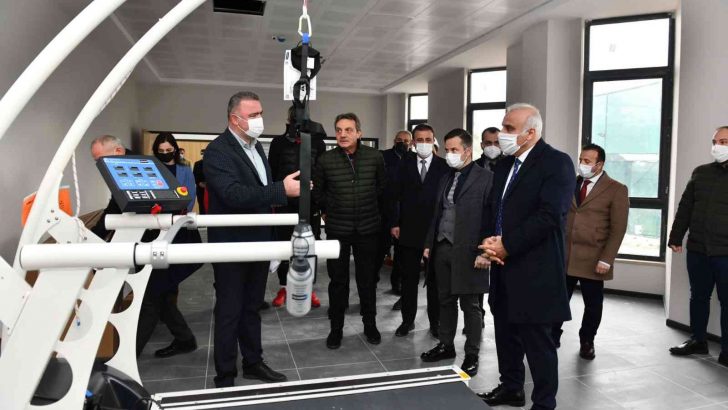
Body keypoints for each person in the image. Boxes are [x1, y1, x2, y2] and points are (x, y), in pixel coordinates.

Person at [478, 103, 574, 410]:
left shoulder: (556, 163)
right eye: (503, 126)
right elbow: (495, 208)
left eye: (509, 129)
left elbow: (550, 216)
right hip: (503, 267)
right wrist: (489, 241)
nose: (501, 134)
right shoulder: (505, 165)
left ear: (530, 132)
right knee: (505, 334)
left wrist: (507, 244)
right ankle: (511, 388)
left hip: (536, 269)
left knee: (537, 342)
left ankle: (544, 403)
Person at [204, 91, 302, 387]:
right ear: (235, 119)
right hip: (231, 244)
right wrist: (281, 190)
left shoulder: (257, 147)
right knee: (229, 311)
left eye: (261, 113)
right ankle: (225, 375)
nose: (260, 120)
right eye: (253, 115)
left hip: (258, 240)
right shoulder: (218, 151)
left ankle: (253, 362)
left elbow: (259, 193)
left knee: (252, 308)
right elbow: (232, 194)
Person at [419, 128, 493, 377]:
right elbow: (437, 213)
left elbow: (491, 219)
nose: (449, 154)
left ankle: (472, 353)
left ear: (468, 151)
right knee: (445, 300)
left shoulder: (486, 178)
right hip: (442, 246)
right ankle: (446, 345)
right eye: (447, 149)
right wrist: (429, 243)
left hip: (471, 251)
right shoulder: (446, 177)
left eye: (454, 150)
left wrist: (485, 252)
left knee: (470, 305)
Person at [312, 112, 386, 350]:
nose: (342, 134)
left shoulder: (375, 157)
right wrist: (330, 208)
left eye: (348, 130)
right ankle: (336, 329)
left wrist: (370, 207)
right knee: (338, 281)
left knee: (367, 280)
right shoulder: (326, 160)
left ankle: (370, 324)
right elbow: (318, 192)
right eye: (339, 130)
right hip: (338, 229)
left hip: (368, 228)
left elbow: (382, 188)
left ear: (359, 133)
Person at [552, 144, 629, 360]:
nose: (582, 164)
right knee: (558, 299)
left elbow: (618, 228)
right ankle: (553, 334)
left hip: (594, 258)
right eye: (581, 160)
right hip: (565, 254)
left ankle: (587, 340)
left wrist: (607, 259)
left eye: (587, 161)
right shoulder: (570, 183)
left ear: (599, 165)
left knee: (593, 305)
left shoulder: (616, 189)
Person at [668, 126, 728, 368]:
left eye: (724, 141)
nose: (717, 146)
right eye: (715, 141)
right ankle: (698, 340)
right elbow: (686, 207)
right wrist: (676, 236)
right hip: (698, 249)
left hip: (725, 252)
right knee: (699, 297)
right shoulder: (701, 172)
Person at [136, 132, 199, 359]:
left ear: (175, 149)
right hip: (154, 232)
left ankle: (183, 339)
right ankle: (184, 338)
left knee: (159, 290)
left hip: (177, 231)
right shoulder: (150, 169)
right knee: (161, 291)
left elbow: (188, 198)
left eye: (168, 150)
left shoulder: (184, 169)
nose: (165, 154)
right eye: (161, 151)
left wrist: (172, 208)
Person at [389, 124, 449, 338]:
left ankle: (435, 323)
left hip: (435, 232)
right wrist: (394, 223)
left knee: (434, 281)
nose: (424, 143)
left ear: (433, 141)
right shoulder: (403, 164)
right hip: (408, 230)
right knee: (409, 280)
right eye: (420, 140)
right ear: (413, 143)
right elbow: (394, 195)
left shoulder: (444, 166)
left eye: (428, 139)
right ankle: (407, 321)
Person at [268, 105, 326, 308]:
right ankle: (284, 286)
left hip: (310, 204)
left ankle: (308, 287)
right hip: (284, 204)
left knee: (310, 246)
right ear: (289, 118)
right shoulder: (278, 143)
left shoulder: (317, 142)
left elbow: (322, 173)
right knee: (285, 246)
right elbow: (272, 172)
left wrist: (321, 202)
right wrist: (274, 197)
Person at [380, 130, 412, 298]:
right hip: (384, 210)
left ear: (411, 143)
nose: (402, 143)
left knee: (401, 253)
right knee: (380, 248)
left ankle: (397, 283)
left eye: (406, 141)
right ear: (394, 140)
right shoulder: (383, 157)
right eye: (399, 140)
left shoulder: (413, 159)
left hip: (405, 214)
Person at [193, 150, 206, 214]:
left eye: (204, 153)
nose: (203, 155)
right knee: (201, 206)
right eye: (201, 153)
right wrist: (198, 183)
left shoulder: (212, 163)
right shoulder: (197, 163)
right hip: (200, 189)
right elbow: (194, 176)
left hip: (210, 189)